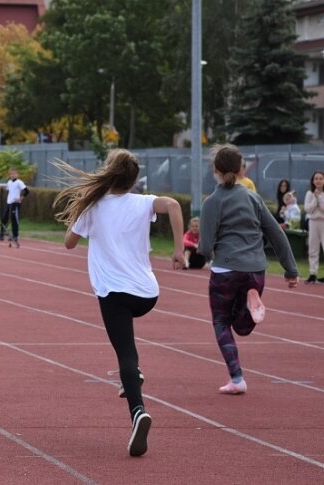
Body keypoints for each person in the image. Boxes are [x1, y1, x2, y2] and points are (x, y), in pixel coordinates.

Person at [56, 148, 185, 457]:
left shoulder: (94, 207)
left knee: (126, 355)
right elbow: (175, 205)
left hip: (114, 293)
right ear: (134, 179)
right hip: (147, 294)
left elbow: (69, 243)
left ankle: (138, 411)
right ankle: (133, 377)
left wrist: (82, 208)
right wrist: (179, 249)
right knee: (130, 359)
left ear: (109, 173)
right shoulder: (143, 203)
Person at [198, 145, 298, 396]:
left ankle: (237, 378)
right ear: (240, 168)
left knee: (221, 322)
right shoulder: (253, 198)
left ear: (216, 170)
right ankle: (250, 306)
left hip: (225, 269)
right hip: (256, 269)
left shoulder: (212, 202)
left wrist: (205, 251)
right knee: (241, 326)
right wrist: (291, 269)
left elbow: (206, 246)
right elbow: (276, 233)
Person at [0, 168, 29, 245]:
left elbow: (27, 191)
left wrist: (21, 198)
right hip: (9, 203)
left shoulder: (19, 182)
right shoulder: (9, 182)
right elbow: (10, 191)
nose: (12, 175)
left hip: (15, 203)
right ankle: (1, 234)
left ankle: (15, 236)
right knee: (4, 218)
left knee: (14, 220)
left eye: (14, 173)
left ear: (17, 174)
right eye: (11, 174)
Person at [304, 170, 324, 284]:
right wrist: (315, 198)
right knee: (313, 248)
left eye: (321, 178)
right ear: (312, 181)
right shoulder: (309, 194)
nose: (318, 181)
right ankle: (312, 273)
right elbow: (308, 209)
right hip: (313, 222)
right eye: (316, 178)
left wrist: (319, 198)